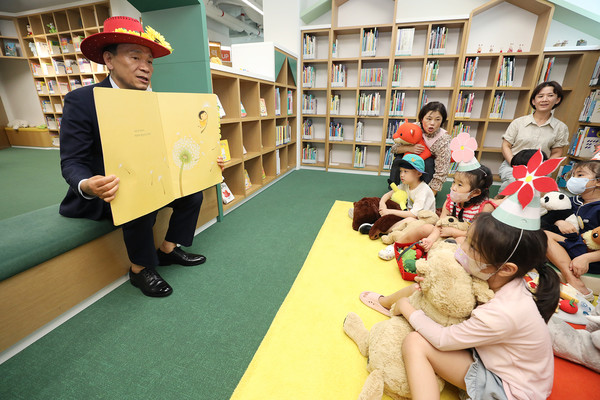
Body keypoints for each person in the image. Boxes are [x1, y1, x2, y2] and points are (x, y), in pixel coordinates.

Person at [59, 16, 223, 298]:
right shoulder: (83, 100)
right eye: (135, 57)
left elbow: (171, 149)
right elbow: (71, 161)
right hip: (109, 191)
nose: (145, 68)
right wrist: (87, 184)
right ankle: (139, 269)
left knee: (193, 192)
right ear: (109, 60)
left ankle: (169, 249)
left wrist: (206, 162)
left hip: (151, 178)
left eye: (149, 61)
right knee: (137, 198)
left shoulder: (156, 101)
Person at [363, 178, 561, 399]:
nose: (461, 246)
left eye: (472, 246)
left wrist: (408, 309)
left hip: (510, 391)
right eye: (467, 239)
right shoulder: (501, 279)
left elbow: (443, 340)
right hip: (496, 361)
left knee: (415, 342)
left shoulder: (504, 311)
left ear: (506, 268)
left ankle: (397, 306)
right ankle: (385, 303)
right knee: (423, 291)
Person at [499, 81, 569, 193]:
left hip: (540, 170)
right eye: (540, 96)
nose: (544, 99)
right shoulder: (518, 122)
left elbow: (557, 152)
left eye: (550, 95)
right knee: (515, 183)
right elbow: (506, 145)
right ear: (533, 101)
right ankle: (500, 204)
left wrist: (544, 169)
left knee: (540, 190)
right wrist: (513, 163)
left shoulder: (561, 127)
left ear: (557, 99)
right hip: (514, 167)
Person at [546, 158, 600, 302]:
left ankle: (575, 282)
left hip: (590, 256)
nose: (573, 180)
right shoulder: (570, 201)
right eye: (573, 175)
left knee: (543, 236)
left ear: (598, 181)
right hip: (571, 245)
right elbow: (551, 217)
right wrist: (559, 221)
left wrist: (586, 258)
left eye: (580, 175)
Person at [357, 154, 436, 235]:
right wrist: (382, 204)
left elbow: (413, 214)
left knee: (410, 221)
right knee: (385, 205)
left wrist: (389, 211)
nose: (402, 175)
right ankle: (369, 220)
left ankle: (380, 230)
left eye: (406, 171)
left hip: (423, 221)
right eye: (401, 171)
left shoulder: (423, 190)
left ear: (418, 174)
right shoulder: (406, 185)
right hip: (407, 213)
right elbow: (387, 195)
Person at [389, 102, 451, 195]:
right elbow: (394, 148)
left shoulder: (443, 139)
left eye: (437, 119)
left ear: (442, 121)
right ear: (422, 118)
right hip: (408, 156)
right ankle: (393, 190)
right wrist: (409, 148)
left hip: (427, 163)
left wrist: (431, 194)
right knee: (398, 160)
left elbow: (443, 168)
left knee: (429, 162)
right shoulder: (413, 127)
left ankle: (424, 191)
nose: (432, 123)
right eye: (428, 119)